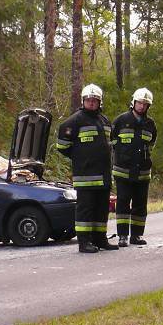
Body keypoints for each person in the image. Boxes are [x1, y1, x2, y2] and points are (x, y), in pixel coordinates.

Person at [56, 84, 119, 253]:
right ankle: (84, 242)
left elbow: (110, 144)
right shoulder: (74, 121)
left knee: (101, 210)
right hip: (85, 176)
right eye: (88, 100)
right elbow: (62, 146)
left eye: (94, 100)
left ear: (99, 102)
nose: (91, 103)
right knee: (85, 210)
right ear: (83, 101)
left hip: (103, 175)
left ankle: (100, 239)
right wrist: (79, 156)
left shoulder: (105, 121)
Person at [111, 88, 157, 247]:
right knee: (123, 202)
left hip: (143, 172)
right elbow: (112, 142)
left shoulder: (150, 124)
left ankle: (136, 235)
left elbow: (151, 144)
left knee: (140, 204)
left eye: (145, 104)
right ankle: (122, 235)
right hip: (123, 171)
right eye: (140, 103)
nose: (142, 106)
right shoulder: (120, 120)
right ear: (134, 102)